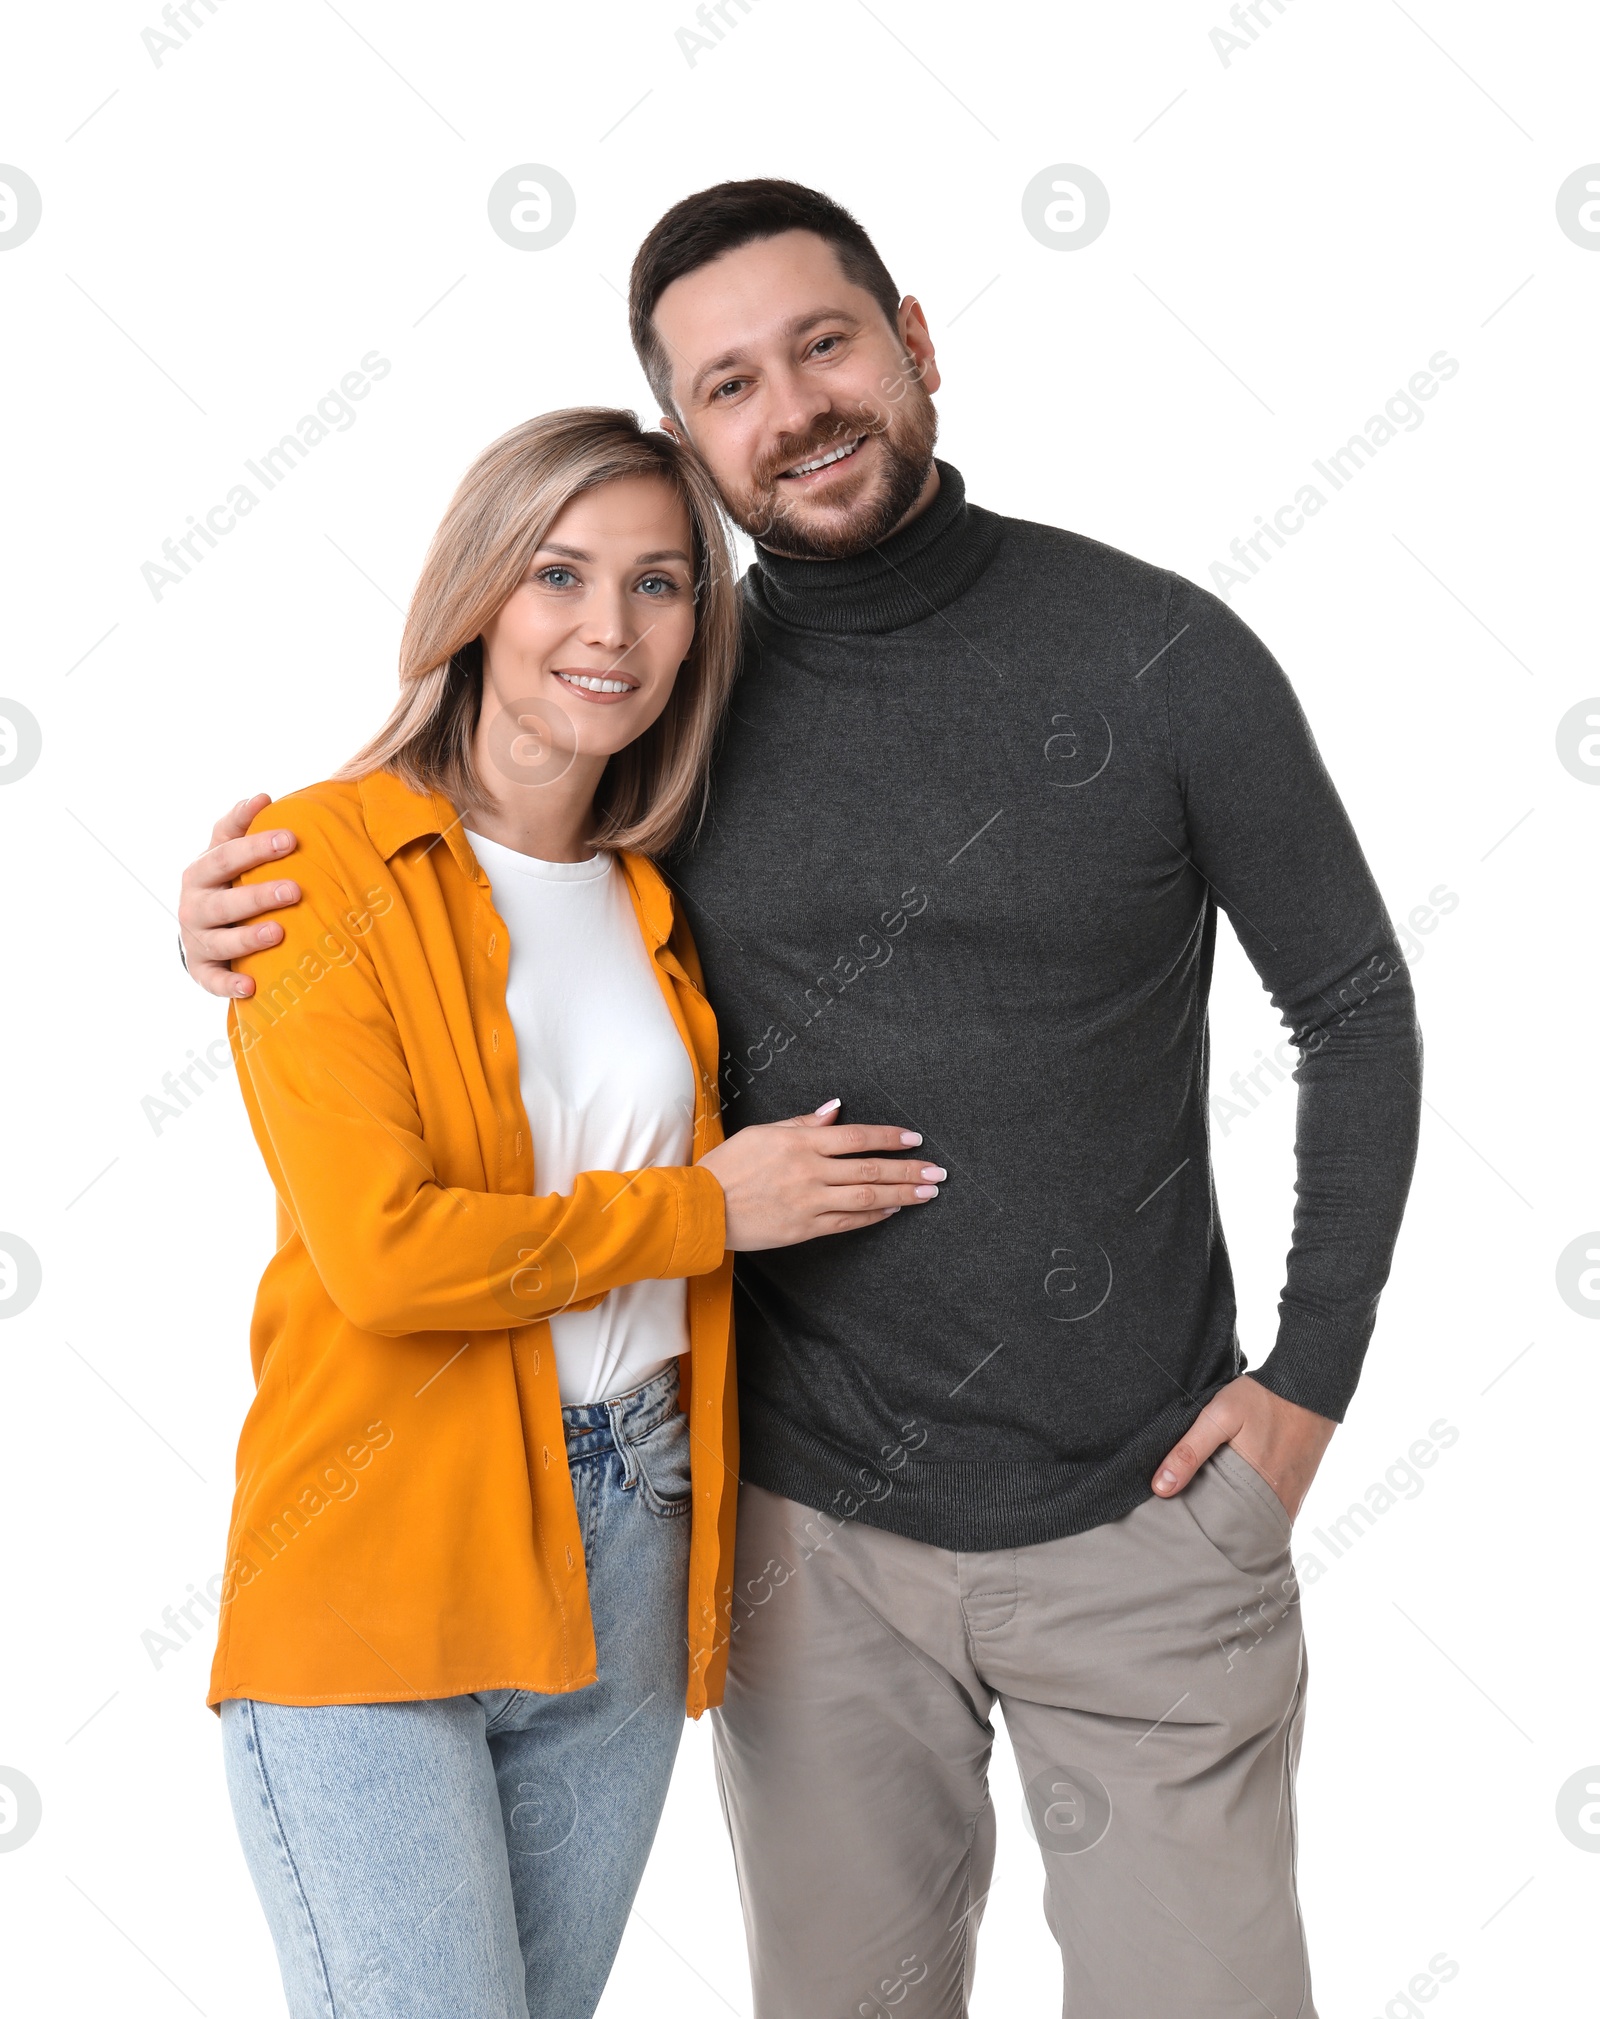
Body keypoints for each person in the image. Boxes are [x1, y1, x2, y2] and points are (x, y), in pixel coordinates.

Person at [180, 184, 1423, 2017]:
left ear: (913, 342)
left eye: (824, 346)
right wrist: (239, 905)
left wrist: (1310, 1378)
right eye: (731, 384)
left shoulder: (1160, 656)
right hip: (801, 1546)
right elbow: (470, 856)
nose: (794, 409)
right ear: (695, 438)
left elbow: (1356, 1012)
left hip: (1144, 1516)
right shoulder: (681, 701)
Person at [200, 405, 941, 2019]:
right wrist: (696, 1213)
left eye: (662, 585)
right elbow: (387, 1256)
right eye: (559, 574)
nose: (608, 629)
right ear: (477, 595)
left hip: (635, 1529)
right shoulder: (314, 869)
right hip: (379, 1549)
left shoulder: (662, 898)